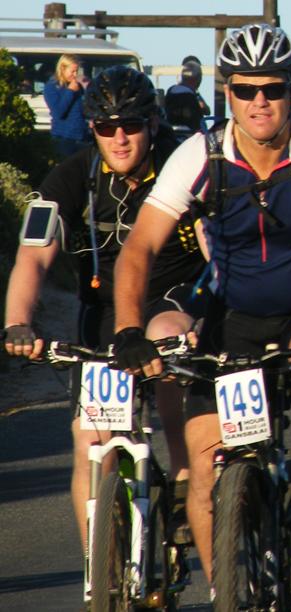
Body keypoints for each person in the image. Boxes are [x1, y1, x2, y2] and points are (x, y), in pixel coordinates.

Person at [111, 23, 291, 598]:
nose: (260, 101)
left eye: (273, 88)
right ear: (227, 93)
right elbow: (139, 249)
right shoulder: (201, 152)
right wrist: (128, 330)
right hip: (229, 316)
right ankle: (225, 593)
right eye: (245, 89)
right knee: (203, 473)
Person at [3, 66, 208, 552]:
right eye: (105, 126)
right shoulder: (73, 175)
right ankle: (101, 572)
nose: (119, 137)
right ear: (91, 128)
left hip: (173, 297)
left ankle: (183, 478)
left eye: (131, 125)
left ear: (152, 124)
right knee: (89, 441)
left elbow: (215, 245)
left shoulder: (179, 164)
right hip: (107, 311)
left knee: (164, 343)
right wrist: (17, 322)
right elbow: (33, 255)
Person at [43, 53, 89, 157]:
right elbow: (58, 112)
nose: (75, 75)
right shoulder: (51, 87)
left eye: (77, 71)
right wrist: (70, 91)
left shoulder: (78, 86)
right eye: (72, 71)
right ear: (63, 68)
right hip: (64, 137)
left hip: (82, 136)